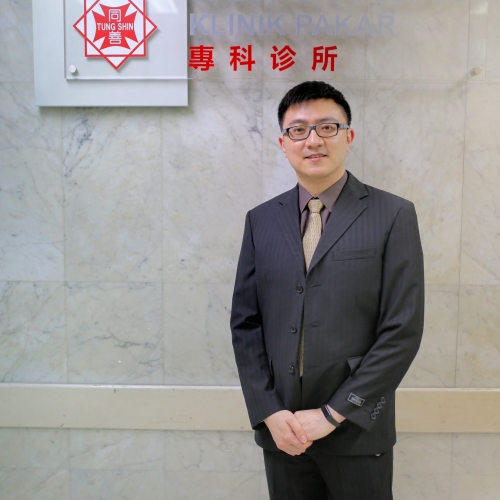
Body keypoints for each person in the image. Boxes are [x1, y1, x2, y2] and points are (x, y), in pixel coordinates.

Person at [230, 81, 425, 500]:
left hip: (357, 431)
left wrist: (334, 413)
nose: (313, 140)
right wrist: (269, 411)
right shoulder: (260, 221)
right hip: (283, 433)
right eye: (298, 130)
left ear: (348, 137)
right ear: (283, 144)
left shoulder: (393, 215)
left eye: (327, 127)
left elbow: (402, 331)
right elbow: (245, 324)